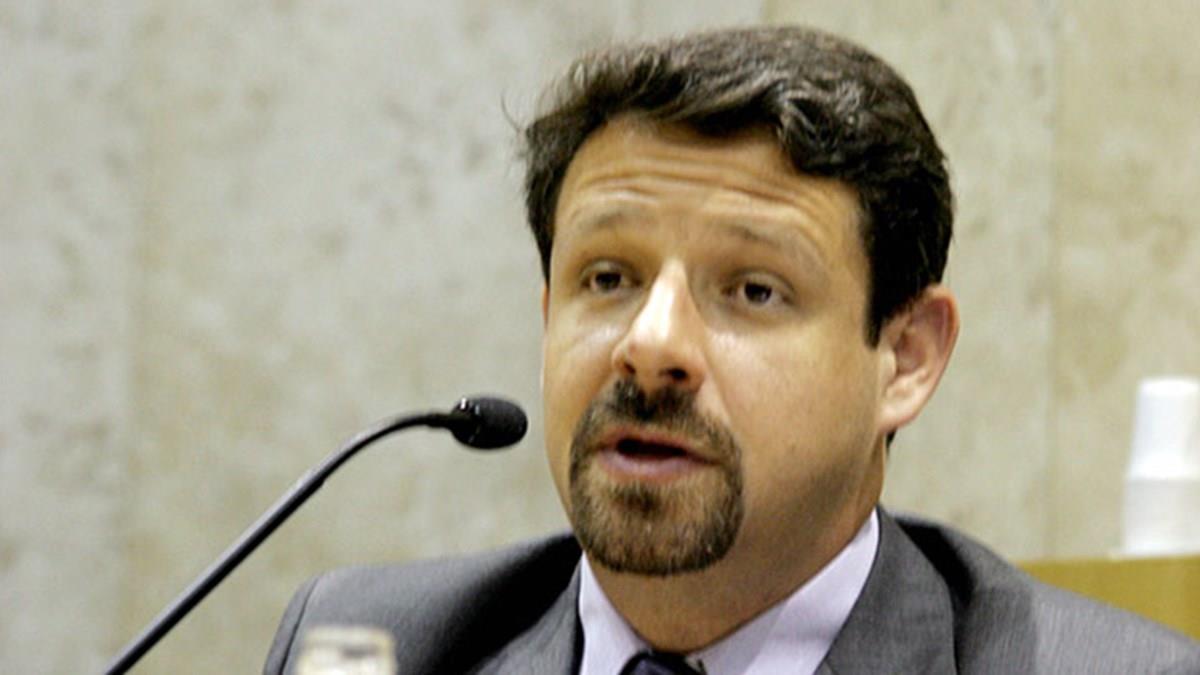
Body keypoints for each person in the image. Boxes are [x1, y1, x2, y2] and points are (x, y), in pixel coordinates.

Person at [265, 25, 1200, 674]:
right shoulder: (370, 646)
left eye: (754, 290)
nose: (650, 345)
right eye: (608, 278)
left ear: (906, 357)